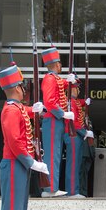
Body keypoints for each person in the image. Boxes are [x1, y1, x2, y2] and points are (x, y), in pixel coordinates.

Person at [0, 64, 49, 210]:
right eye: (22, 86)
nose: (23, 89)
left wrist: (33, 110)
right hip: (14, 164)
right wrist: (31, 162)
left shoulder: (16, 108)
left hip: (18, 166)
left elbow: (23, 112)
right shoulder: (10, 110)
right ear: (17, 88)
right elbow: (14, 142)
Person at [40, 46, 75, 198]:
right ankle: (50, 189)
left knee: (56, 154)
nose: (61, 66)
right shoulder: (49, 79)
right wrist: (63, 114)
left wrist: (72, 80)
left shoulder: (56, 79)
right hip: (53, 120)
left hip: (57, 121)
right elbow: (49, 102)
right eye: (60, 63)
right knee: (52, 155)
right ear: (55, 63)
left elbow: (63, 85)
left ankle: (52, 187)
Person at [63, 80, 93, 198]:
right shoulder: (70, 102)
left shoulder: (74, 102)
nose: (78, 90)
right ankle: (71, 191)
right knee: (73, 165)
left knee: (77, 164)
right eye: (76, 88)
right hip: (73, 134)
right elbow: (74, 123)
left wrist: (85, 102)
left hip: (76, 135)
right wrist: (85, 132)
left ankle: (74, 190)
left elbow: (79, 104)